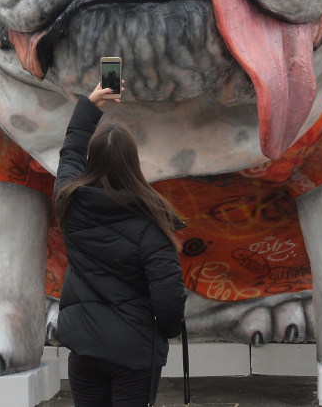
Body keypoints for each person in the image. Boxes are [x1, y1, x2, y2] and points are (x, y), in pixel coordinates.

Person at [53, 80, 186, 407]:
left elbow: (70, 150)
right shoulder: (151, 222)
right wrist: (166, 331)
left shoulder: (70, 201)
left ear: (93, 160)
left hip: (84, 347)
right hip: (135, 352)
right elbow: (168, 294)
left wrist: (89, 104)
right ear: (133, 164)